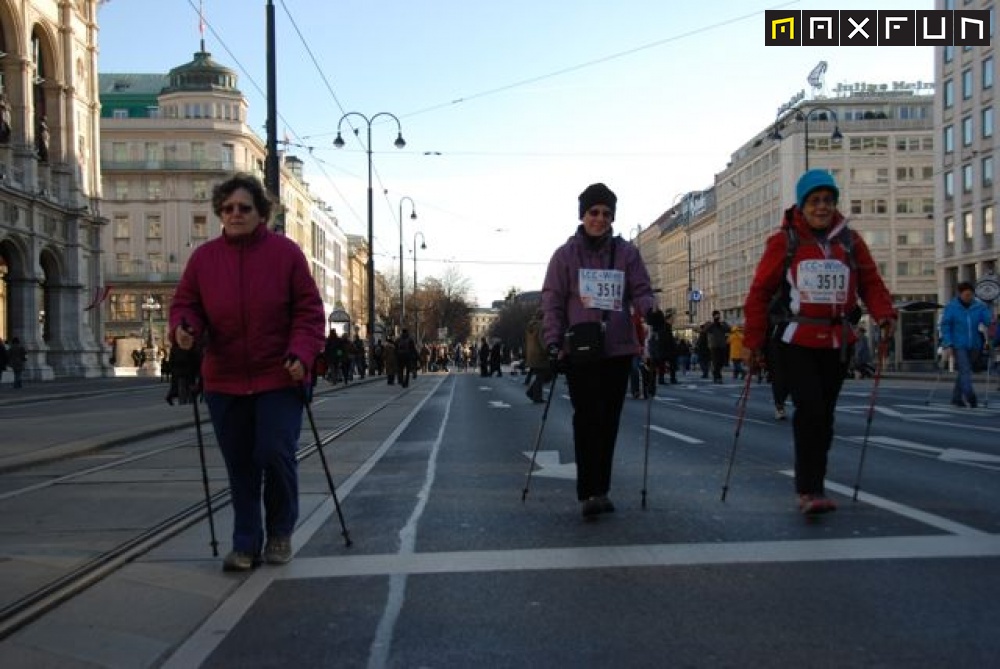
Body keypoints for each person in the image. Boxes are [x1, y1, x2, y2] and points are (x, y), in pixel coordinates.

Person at [169, 173, 325, 572]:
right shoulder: (204, 259)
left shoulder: (286, 254)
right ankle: (245, 543)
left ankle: (279, 533)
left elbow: (309, 312)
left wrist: (300, 353)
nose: (234, 214)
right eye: (227, 209)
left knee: (274, 453)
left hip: (279, 376)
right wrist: (185, 328)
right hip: (225, 380)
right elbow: (186, 304)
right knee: (241, 466)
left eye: (244, 208)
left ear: (261, 213)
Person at [743, 169, 896, 516]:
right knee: (809, 409)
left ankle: (816, 483)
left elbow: (870, 283)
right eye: (815, 201)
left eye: (828, 201)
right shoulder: (784, 242)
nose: (822, 207)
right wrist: (753, 341)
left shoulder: (851, 242)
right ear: (802, 204)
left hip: (837, 342)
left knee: (824, 417)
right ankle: (808, 489)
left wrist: (885, 313)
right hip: (796, 339)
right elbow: (759, 293)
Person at [542, 183, 658, 518]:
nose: (600, 219)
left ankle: (601, 489)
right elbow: (552, 303)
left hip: (618, 349)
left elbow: (641, 290)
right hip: (581, 349)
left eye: (607, 214)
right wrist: (553, 342)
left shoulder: (626, 253)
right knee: (586, 419)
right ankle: (589, 490)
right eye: (594, 212)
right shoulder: (565, 256)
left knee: (609, 421)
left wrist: (651, 311)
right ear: (583, 214)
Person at [939, 281, 992, 408]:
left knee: (964, 372)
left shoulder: (978, 306)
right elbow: (946, 326)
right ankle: (970, 395)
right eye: (966, 295)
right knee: (965, 370)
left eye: (971, 295)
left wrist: (987, 309)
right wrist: (948, 342)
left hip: (975, 344)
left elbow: (988, 321)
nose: (969, 297)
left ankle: (956, 398)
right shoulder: (952, 307)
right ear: (960, 294)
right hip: (958, 344)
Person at [524, 310, 551, 403]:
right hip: (540, 354)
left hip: (531, 354)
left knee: (540, 375)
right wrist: (547, 350)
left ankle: (533, 393)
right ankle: (535, 395)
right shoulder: (541, 325)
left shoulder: (530, 325)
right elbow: (541, 339)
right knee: (544, 375)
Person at [705, 310, 730, 383]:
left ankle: (716, 374)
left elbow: (728, 329)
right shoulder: (712, 325)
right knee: (716, 362)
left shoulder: (722, 324)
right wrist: (713, 323)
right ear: (713, 316)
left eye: (718, 315)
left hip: (722, 346)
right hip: (714, 346)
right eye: (716, 315)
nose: (717, 316)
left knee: (721, 362)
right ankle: (718, 377)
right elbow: (706, 330)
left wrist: (722, 324)